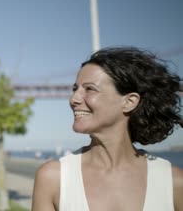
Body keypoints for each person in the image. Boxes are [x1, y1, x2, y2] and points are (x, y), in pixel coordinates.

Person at [32, 47, 183, 211]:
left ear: (129, 102)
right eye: (75, 89)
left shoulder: (173, 181)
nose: (74, 99)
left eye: (89, 89)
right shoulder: (53, 178)